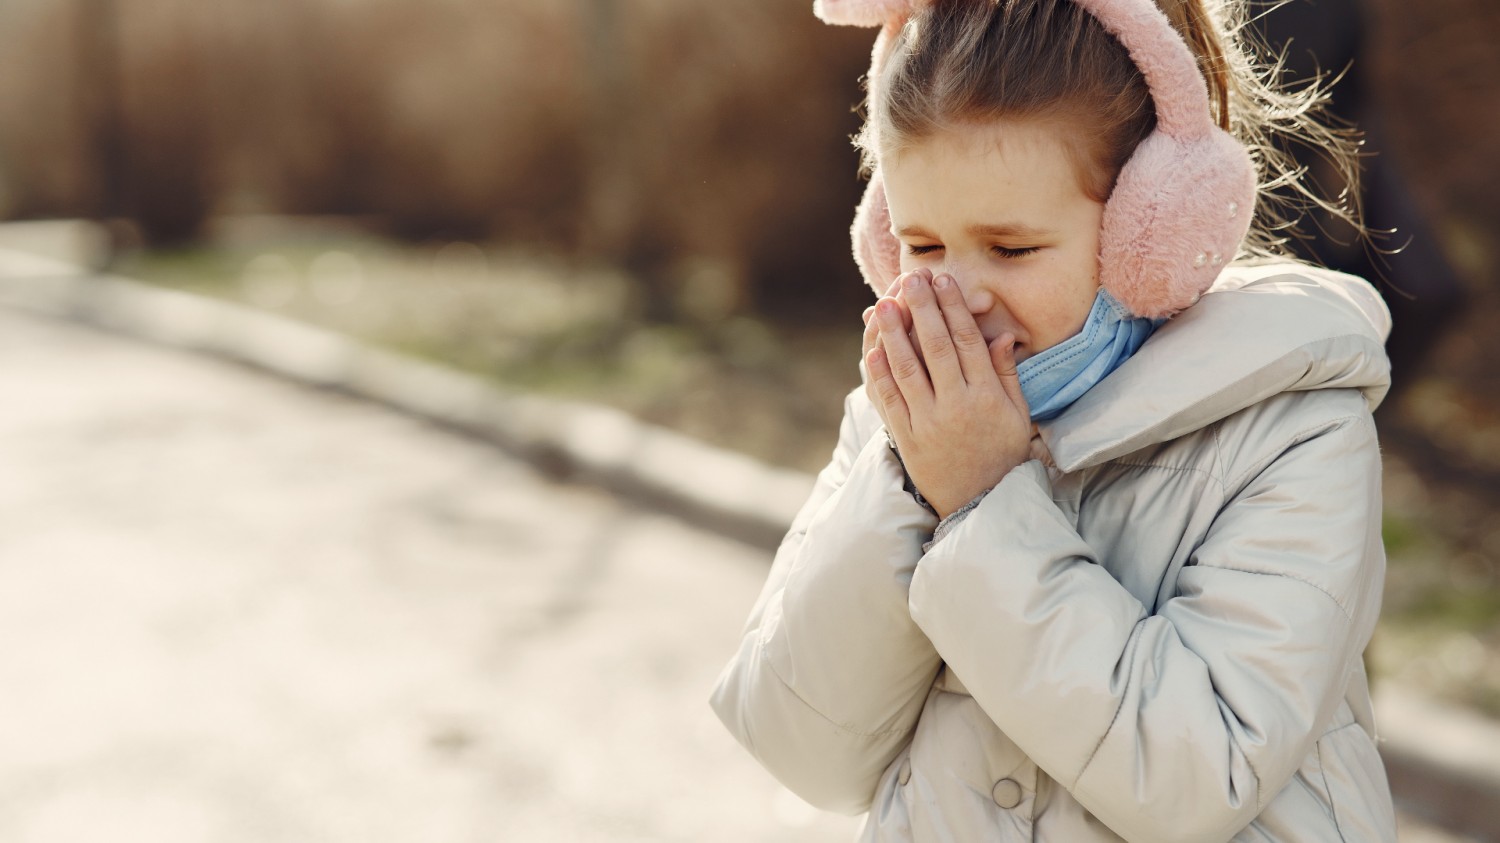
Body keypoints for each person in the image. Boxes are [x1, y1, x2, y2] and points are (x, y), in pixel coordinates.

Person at [710, 0, 1398, 840]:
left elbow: (1196, 774)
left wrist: (983, 501)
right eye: (923, 247)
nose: (958, 296)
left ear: (1147, 227)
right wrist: (910, 488)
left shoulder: (1293, 426)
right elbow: (802, 745)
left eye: (1011, 248)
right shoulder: (901, 424)